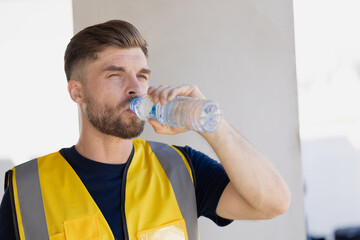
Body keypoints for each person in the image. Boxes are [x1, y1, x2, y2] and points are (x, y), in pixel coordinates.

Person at [0, 20, 291, 240]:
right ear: (77, 92)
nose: (136, 88)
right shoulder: (26, 189)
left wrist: (211, 126)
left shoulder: (181, 169)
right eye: (116, 75)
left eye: (141, 76)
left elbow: (274, 203)